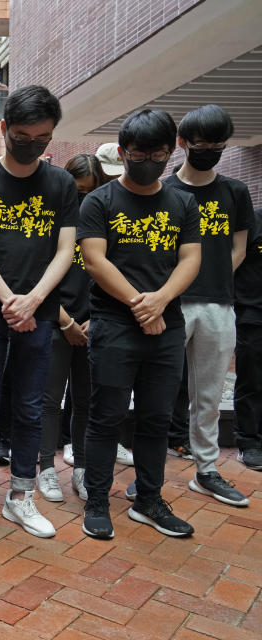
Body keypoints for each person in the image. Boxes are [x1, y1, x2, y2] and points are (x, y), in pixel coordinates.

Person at [0, 85, 77, 539]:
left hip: (39, 313)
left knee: (29, 407)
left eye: (42, 137)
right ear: (4, 130)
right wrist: (10, 299)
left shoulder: (60, 183)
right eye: (22, 134)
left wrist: (34, 300)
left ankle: (21, 497)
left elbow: (65, 250)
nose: (32, 143)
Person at [78, 108, 201, 539]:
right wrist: (138, 305)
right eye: (138, 152)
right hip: (114, 325)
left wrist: (161, 302)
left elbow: (190, 259)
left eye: (158, 153)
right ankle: (97, 499)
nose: (147, 160)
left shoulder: (182, 202)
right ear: (123, 151)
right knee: (105, 416)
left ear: (172, 151)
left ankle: (149, 499)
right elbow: (95, 260)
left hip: (166, 328)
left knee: (157, 417)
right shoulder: (100, 201)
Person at [162, 104, 252, 505]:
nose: (209, 150)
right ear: (182, 143)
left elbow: (239, 247)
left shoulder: (235, 191)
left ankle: (207, 470)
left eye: (218, 144)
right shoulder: (165, 191)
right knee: (159, 391)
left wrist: (211, 277)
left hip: (218, 304)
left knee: (210, 394)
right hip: (172, 304)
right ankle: (150, 472)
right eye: (201, 143)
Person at [37, 153, 103, 503]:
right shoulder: (53, 220)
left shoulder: (103, 221)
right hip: (54, 320)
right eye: (78, 191)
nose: (83, 199)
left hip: (93, 324)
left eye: (90, 192)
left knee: (86, 401)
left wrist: (92, 321)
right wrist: (65, 320)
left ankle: (81, 468)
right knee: (49, 400)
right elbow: (37, 275)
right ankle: (46, 467)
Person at [234, 208, 262, 470]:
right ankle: (249, 442)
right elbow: (233, 263)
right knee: (252, 379)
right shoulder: (252, 220)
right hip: (253, 314)